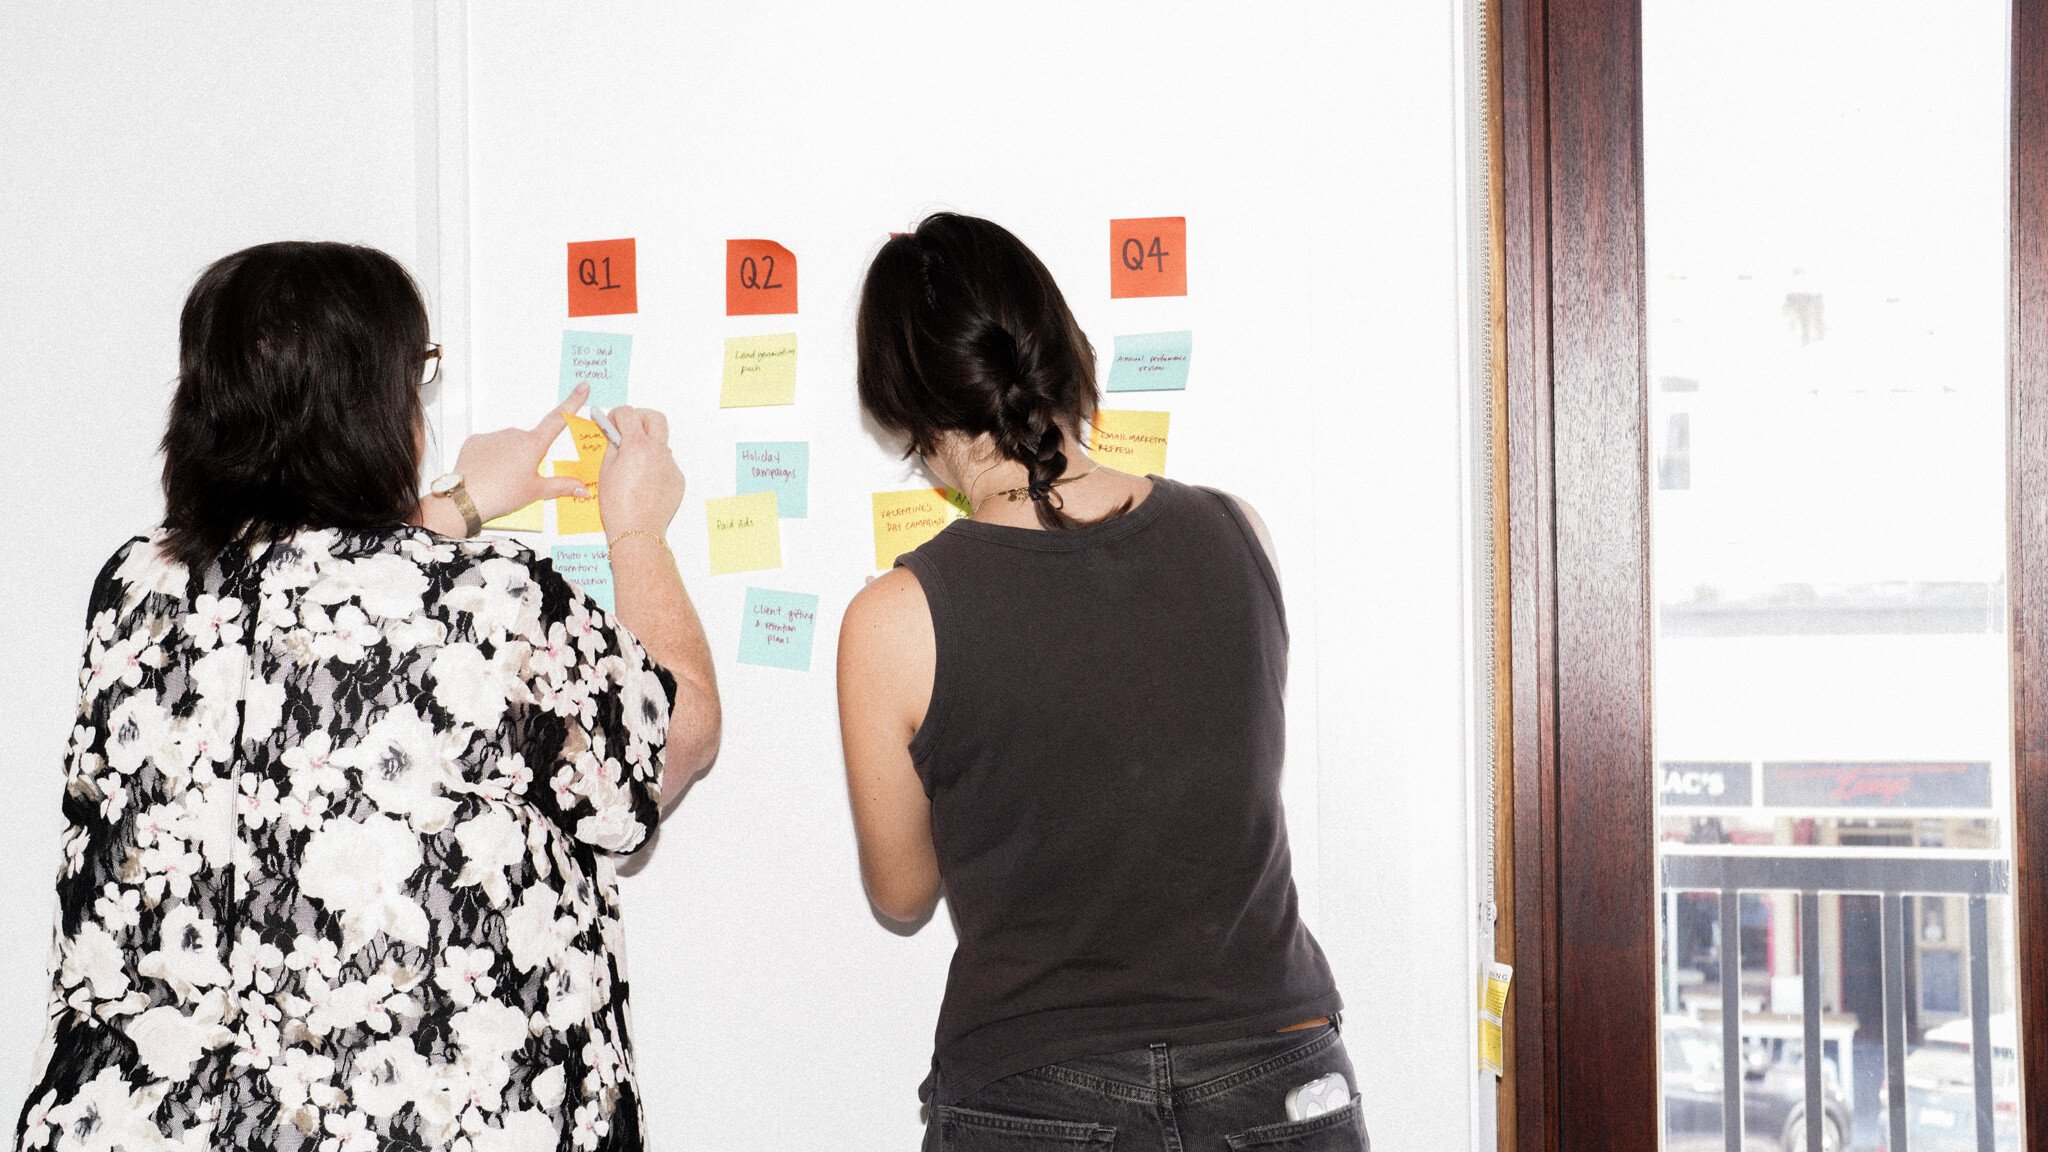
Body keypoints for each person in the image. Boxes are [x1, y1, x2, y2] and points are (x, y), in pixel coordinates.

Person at [15, 241, 719, 1152]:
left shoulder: (134, 591)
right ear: (378, 402)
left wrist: (457, 503)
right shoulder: (494, 605)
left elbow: (302, 582)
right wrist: (637, 529)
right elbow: (678, 735)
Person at [839, 213, 1367, 1151]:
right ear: (1060, 347)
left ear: (914, 413)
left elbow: (902, 893)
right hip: (1278, 1070)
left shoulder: (895, 620)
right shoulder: (1239, 532)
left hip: (1034, 1090)